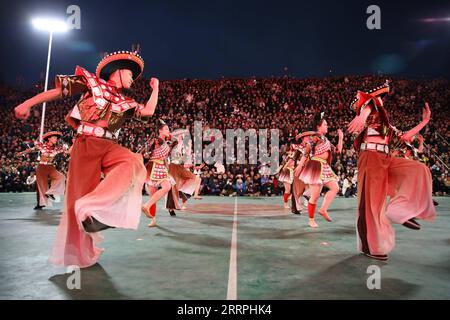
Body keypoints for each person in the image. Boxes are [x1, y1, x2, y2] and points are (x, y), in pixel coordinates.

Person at [14, 50, 158, 268]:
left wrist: (156, 89)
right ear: (117, 71)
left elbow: (147, 111)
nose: (132, 78)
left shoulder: (125, 101)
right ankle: (82, 250)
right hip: (86, 144)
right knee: (76, 199)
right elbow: (56, 92)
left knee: (133, 162)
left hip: (110, 145)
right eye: (130, 73)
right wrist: (27, 103)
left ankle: (92, 206)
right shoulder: (91, 83)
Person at [347, 81, 436, 261]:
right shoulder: (371, 109)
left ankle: (398, 211)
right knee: (371, 203)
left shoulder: (385, 124)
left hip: (384, 159)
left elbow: (404, 136)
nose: (381, 100)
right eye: (380, 97)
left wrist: (424, 121)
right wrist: (362, 116)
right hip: (371, 157)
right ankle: (369, 246)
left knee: (419, 170)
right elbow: (368, 103)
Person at [299, 113, 344, 228]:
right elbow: (308, 148)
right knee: (315, 196)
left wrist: (341, 138)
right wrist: (300, 164)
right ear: (319, 127)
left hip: (324, 166)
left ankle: (323, 209)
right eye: (325, 124)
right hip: (315, 165)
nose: (327, 126)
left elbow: (338, 151)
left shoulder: (326, 139)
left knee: (335, 188)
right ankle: (311, 219)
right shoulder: (316, 136)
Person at [16, 131, 68, 210]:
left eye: (56, 138)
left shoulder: (58, 148)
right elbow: (32, 149)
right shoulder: (42, 146)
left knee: (61, 177)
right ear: (49, 139)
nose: (56, 139)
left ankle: (50, 192)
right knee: (41, 186)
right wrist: (22, 153)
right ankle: (40, 204)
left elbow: (67, 152)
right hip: (41, 167)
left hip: (51, 167)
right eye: (54, 138)